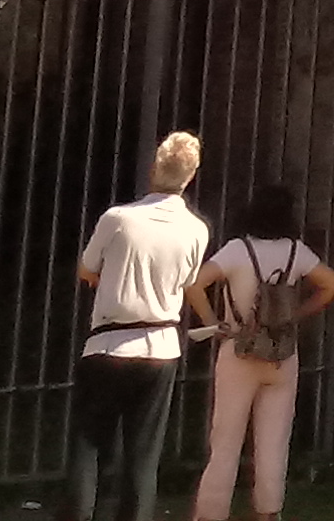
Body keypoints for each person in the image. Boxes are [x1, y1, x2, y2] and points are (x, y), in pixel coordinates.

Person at [68, 131, 211, 521]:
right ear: (191, 176)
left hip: (109, 344)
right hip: (161, 347)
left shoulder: (118, 219)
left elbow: (86, 268)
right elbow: (185, 281)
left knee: (89, 446)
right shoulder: (198, 230)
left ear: (153, 169)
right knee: (143, 456)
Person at [187, 183, 334, 521]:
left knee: (225, 440)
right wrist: (297, 314)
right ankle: (268, 512)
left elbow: (195, 284)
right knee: (274, 441)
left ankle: (211, 513)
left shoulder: (237, 250)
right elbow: (332, 284)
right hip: (282, 352)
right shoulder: (296, 252)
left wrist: (213, 323)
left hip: (239, 349)